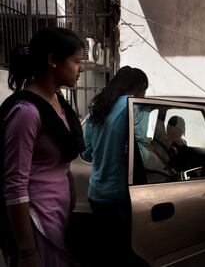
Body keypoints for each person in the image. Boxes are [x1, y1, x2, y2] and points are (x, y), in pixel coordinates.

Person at [0, 28, 85, 267]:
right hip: (36, 221)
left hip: (58, 214)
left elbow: (61, 164)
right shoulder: (26, 112)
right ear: (52, 61)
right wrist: (27, 252)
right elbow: (15, 183)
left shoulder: (57, 101)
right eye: (77, 61)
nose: (82, 69)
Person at [82, 66, 149, 267]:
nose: (145, 95)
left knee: (107, 253)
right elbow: (141, 151)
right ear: (137, 88)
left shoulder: (98, 106)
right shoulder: (134, 106)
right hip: (121, 196)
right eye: (144, 90)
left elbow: (87, 152)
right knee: (125, 255)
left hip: (96, 193)